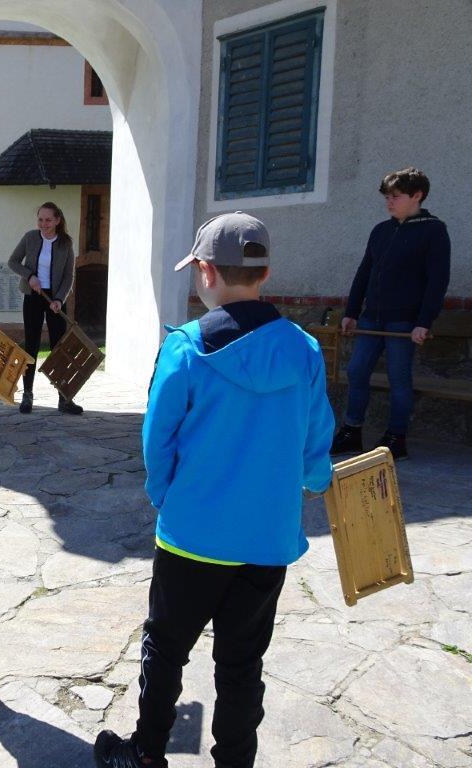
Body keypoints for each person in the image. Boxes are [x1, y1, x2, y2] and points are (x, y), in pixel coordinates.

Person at [94, 212, 335, 768]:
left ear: (205, 272)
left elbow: (157, 439)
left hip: (192, 536)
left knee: (165, 648)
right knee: (242, 664)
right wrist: (317, 480)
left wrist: (164, 495)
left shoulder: (185, 347)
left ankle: (146, 752)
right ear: (265, 273)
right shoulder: (303, 349)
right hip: (267, 541)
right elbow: (316, 441)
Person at [330, 167, 450, 461]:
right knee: (357, 371)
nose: (389, 202)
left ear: (417, 195)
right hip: (371, 319)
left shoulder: (433, 230)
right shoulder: (381, 231)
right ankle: (351, 431)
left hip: (404, 322)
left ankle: (396, 438)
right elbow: (364, 272)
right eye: (387, 197)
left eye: (395, 197)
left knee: (399, 378)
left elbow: (437, 281)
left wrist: (424, 322)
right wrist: (352, 311)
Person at [7, 201, 82, 415]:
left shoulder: (66, 243)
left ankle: (64, 398)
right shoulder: (30, 237)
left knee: (59, 348)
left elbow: (68, 276)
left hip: (55, 300)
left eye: (48, 220)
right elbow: (13, 262)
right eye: (40, 219)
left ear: (57, 220)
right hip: (33, 297)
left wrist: (59, 299)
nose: (43, 224)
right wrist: (30, 276)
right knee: (31, 344)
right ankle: (27, 395)